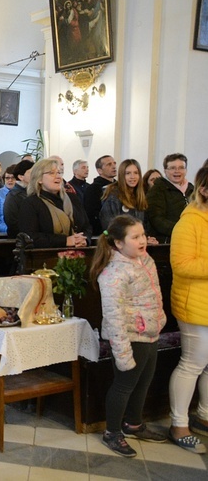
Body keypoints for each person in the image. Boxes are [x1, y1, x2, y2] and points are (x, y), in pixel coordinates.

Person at [89, 214, 168, 457]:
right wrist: (122, 352)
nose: (142, 240)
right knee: (124, 385)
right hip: (130, 337)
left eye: (142, 234)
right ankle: (112, 432)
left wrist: (159, 319)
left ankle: (134, 424)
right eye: (135, 237)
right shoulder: (113, 273)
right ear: (118, 243)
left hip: (149, 331)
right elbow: (114, 318)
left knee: (143, 382)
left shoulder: (144, 259)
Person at [168, 167, 208, 454]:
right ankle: (179, 424)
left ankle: (204, 415)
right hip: (194, 303)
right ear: (204, 189)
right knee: (192, 364)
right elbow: (181, 265)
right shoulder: (189, 222)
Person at [19, 158, 91, 248]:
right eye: (51, 173)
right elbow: (30, 236)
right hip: (48, 257)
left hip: (80, 252)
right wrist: (65, 241)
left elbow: (87, 226)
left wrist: (85, 239)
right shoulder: (31, 203)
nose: (58, 176)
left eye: (59, 173)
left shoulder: (72, 198)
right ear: (39, 179)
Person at [99, 159, 156, 243]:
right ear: (122, 176)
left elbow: (144, 225)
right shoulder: (113, 196)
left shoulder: (140, 196)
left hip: (136, 245)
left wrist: (146, 238)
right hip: (120, 245)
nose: (132, 177)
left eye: (136, 173)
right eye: (128, 173)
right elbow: (110, 227)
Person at [146, 153, 194, 243]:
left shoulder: (193, 190)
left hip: (192, 240)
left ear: (186, 170)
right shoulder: (157, 190)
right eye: (172, 168)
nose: (177, 171)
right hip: (167, 243)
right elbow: (157, 220)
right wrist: (182, 230)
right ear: (165, 171)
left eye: (181, 167)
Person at [84, 155, 117, 235]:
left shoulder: (120, 186)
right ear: (100, 170)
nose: (114, 166)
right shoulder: (93, 189)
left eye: (114, 163)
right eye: (109, 164)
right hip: (102, 232)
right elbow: (92, 214)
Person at [3, 159, 34, 238]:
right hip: (21, 240)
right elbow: (12, 222)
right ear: (21, 177)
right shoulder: (14, 196)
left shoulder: (32, 192)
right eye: (32, 172)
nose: (35, 175)